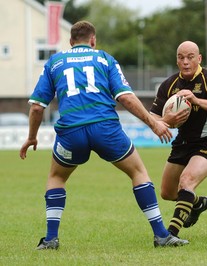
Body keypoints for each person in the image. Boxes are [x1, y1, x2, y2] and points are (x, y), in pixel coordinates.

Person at [19, 21, 189, 249]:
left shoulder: (55, 62)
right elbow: (125, 97)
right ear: (93, 40)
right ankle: (161, 235)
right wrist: (153, 124)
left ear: (71, 43)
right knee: (138, 172)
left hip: (71, 131)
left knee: (57, 177)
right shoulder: (104, 59)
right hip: (105, 129)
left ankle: (50, 239)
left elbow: (38, 107)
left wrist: (32, 136)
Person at [149, 41, 207, 238]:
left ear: (199, 58)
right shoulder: (168, 84)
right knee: (167, 193)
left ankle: (170, 235)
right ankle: (198, 203)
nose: (185, 62)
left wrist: (196, 101)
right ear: (177, 60)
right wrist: (164, 121)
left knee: (186, 182)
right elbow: (152, 117)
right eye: (181, 57)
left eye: (190, 57)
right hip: (182, 143)